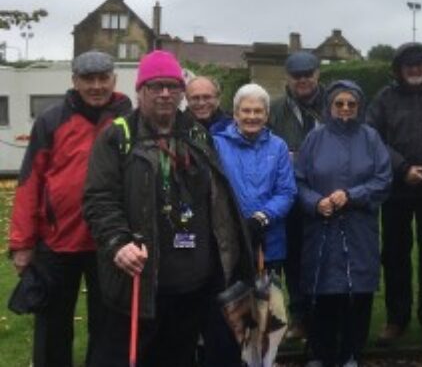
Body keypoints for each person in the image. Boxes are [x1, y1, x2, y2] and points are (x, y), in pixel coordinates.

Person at [83, 50, 253, 367]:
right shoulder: (118, 136)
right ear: (140, 90)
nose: (165, 93)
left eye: (172, 86)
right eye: (155, 86)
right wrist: (118, 242)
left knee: (179, 357)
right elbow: (99, 198)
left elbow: (216, 199)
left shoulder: (197, 134)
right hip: (141, 283)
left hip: (193, 284)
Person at [7, 51, 131, 367]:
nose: (96, 86)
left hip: (110, 242)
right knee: (52, 327)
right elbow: (29, 182)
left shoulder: (127, 117)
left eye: (103, 78)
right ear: (74, 81)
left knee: (107, 327)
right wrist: (22, 244)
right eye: (88, 79)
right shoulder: (52, 119)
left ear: (113, 80)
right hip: (57, 241)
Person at [295, 80, 392, 367]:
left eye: (351, 104)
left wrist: (352, 195)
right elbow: (298, 181)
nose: (345, 109)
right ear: (330, 106)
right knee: (323, 291)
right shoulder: (315, 139)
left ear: (359, 106)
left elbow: (383, 180)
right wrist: (315, 202)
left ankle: (351, 352)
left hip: (359, 226)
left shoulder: (371, 138)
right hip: (322, 227)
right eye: (339, 103)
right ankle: (321, 353)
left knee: (357, 291)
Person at [205, 83, 297, 366]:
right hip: (229, 244)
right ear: (235, 113)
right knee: (231, 315)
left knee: (264, 316)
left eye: (258, 111)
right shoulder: (217, 143)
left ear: (267, 115)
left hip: (267, 241)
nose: (252, 116)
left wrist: (262, 217)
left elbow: (287, 191)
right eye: (246, 110)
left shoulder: (278, 146)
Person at [366, 42, 422, 346]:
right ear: (399, 69)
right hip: (396, 189)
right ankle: (396, 318)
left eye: (420, 65)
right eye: (409, 65)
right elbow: (373, 138)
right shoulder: (385, 99)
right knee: (395, 254)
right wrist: (402, 168)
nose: (415, 70)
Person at [269, 50, 327, 337]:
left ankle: (324, 314)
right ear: (288, 78)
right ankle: (299, 316)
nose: (303, 80)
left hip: (326, 193)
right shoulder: (275, 109)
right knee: (293, 259)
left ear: (318, 74)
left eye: (308, 74)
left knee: (325, 256)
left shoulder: (335, 104)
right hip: (290, 195)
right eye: (297, 76)